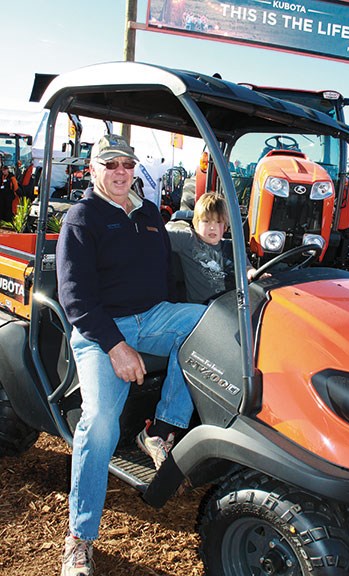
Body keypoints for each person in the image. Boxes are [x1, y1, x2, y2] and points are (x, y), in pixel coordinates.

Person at [56, 134, 205, 576]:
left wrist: (183, 313)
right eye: (111, 164)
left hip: (153, 316)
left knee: (208, 326)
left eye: (126, 164)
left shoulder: (149, 215)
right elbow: (75, 298)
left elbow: (168, 280)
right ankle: (80, 539)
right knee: (99, 423)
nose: (120, 171)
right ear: (93, 170)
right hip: (101, 328)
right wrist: (116, 346)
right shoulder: (83, 219)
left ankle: (161, 429)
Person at [166, 192, 258, 304]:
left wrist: (254, 273)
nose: (213, 227)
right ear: (196, 223)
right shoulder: (189, 240)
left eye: (218, 222)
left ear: (225, 227)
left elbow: (247, 268)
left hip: (232, 306)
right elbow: (158, 235)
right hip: (203, 309)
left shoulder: (232, 247)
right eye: (206, 221)